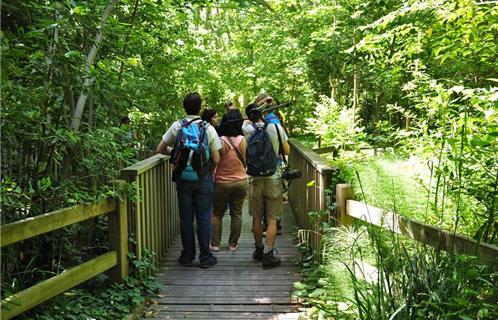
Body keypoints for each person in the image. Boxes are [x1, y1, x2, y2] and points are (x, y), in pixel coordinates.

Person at [156, 92, 221, 268]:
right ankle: (206, 257)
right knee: (204, 218)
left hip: (183, 178)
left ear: (184, 107)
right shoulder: (208, 128)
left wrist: (176, 154)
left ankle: (187, 256)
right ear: (200, 108)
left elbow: (160, 149)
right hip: (203, 178)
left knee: (186, 219)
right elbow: (216, 158)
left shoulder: (178, 125)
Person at [243, 93, 290, 268]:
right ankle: (268, 254)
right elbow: (287, 151)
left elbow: (245, 119)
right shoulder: (276, 128)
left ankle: (258, 249)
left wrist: (258, 105)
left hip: (255, 178)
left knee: (256, 217)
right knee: (271, 218)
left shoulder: (247, 129)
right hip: (273, 176)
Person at [210, 109, 248, 252]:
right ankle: (233, 244)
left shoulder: (220, 141)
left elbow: (216, 162)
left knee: (217, 213)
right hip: (241, 182)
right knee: (236, 213)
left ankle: (215, 244)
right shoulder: (244, 140)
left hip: (222, 183)